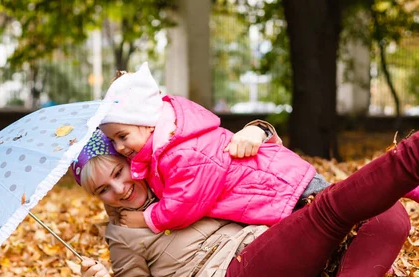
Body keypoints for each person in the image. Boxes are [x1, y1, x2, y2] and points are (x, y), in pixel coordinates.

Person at [70, 129, 416, 277]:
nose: (119, 189)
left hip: (278, 257)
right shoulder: (123, 233)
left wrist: (258, 129)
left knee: (388, 214)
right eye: (103, 189)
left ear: (133, 158)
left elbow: (249, 166)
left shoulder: (180, 170)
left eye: (118, 172)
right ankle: (412, 156)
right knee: (328, 210)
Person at [98, 63, 419, 233]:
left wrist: (147, 219)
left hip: (283, 190)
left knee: (351, 201)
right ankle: (404, 183)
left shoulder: (183, 152)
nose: (118, 146)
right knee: (350, 199)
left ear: (149, 124)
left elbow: (183, 204)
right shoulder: (163, 151)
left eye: (122, 136)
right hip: (275, 190)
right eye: (113, 140)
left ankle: (405, 178)